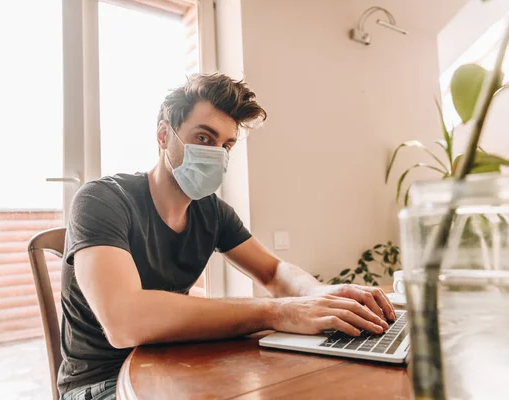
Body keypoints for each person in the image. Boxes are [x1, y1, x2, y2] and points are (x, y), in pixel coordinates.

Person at [58, 73, 396, 400]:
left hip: (172, 364)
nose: (217, 153)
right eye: (204, 138)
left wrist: (320, 294)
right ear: (163, 136)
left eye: (227, 144)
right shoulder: (101, 200)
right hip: (101, 384)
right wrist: (277, 311)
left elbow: (273, 271)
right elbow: (124, 320)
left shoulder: (211, 211)